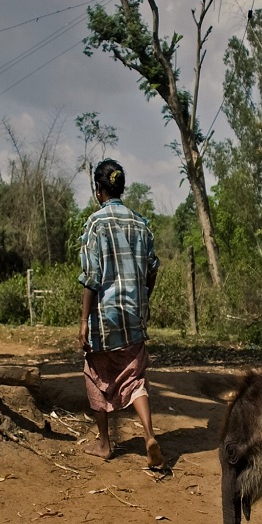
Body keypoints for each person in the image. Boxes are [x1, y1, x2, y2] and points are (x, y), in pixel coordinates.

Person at [78, 159, 163, 468]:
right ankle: (150, 435)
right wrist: (143, 297)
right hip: (134, 317)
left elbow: (91, 277)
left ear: (99, 190)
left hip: (105, 318)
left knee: (96, 374)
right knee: (135, 378)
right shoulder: (140, 223)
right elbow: (152, 269)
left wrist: (84, 321)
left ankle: (104, 444)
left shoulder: (96, 224)